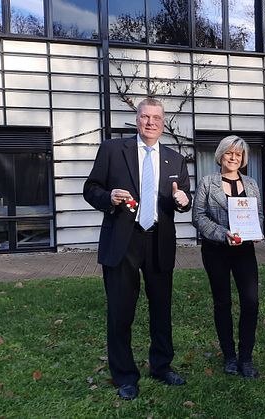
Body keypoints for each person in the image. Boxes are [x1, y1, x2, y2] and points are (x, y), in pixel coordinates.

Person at [83, 98, 192, 400]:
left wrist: (184, 201)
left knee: (161, 309)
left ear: (164, 122)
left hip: (159, 240)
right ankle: (125, 376)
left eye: (157, 117)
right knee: (120, 311)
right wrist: (109, 196)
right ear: (137, 120)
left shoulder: (175, 158)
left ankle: (161, 365)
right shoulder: (112, 151)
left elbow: (183, 198)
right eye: (145, 117)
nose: (151, 122)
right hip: (123, 239)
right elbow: (90, 189)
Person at [192, 135, 263, 378]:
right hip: (216, 250)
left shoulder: (252, 184)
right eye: (229, 153)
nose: (234, 158)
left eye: (239, 154)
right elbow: (198, 217)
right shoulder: (207, 182)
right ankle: (230, 357)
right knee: (222, 302)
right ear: (221, 155)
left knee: (251, 302)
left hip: (245, 251)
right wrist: (224, 234)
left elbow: (259, 214)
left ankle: (246, 357)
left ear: (243, 159)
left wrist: (256, 231)